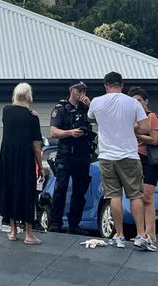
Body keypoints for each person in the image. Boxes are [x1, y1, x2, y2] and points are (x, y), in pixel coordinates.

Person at [87, 72, 156, 251]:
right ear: (122, 85)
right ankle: (141, 235)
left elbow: (91, 117)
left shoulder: (96, 102)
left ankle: (119, 235)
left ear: (106, 85)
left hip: (107, 157)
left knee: (114, 196)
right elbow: (146, 127)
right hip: (129, 156)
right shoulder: (132, 102)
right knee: (135, 195)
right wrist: (131, 125)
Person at [0, 82, 43, 244]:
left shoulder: (6, 111)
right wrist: (41, 166)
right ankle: (29, 234)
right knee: (27, 192)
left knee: (9, 189)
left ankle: (12, 230)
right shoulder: (32, 117)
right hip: (24, 157)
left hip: (7, 157)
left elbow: (15, 111)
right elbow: (36, 146)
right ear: (29, 96)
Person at [48, 81, 92, 235]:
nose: (82, 93)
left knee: (80, 191)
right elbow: (53, 131)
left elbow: (102, 120)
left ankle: (74, 224)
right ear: (72, 90)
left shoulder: (87, 108)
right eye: (79, 90)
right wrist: (70, 132)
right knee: (61, 188)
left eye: (84, 90)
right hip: (66, 154)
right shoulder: (61, 108)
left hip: (83, 154)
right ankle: (55, 223)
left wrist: (90, 105)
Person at [129, 87, 158, 247]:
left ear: (146, 101)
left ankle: (150, 233)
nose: (137, 103)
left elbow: (154, 139)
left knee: (148, 197)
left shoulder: (151, 116)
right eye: (134, 101)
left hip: (150, 160)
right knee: (138, 197)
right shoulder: (132, 119)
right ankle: (142, 233)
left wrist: (135, 134)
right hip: (135, 158)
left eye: (139, 100)